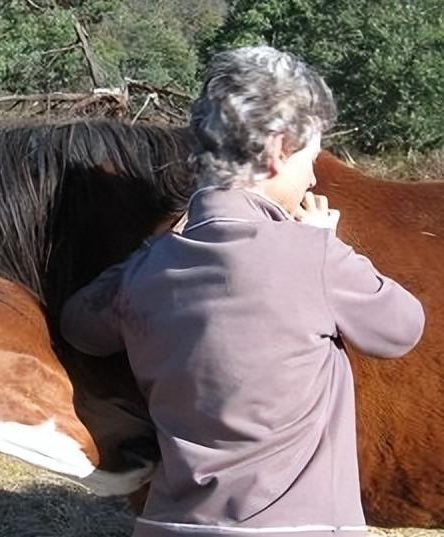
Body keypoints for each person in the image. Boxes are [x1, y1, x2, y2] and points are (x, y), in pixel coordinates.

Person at [60, 46, 425, 537]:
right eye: (311, 158)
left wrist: (149, 249)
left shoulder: (146, 271)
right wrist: (329, 246)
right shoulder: (310, 255)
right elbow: (401, 328)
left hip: (169, 525)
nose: (315, 176)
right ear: (278, 150)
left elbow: (79, 327)